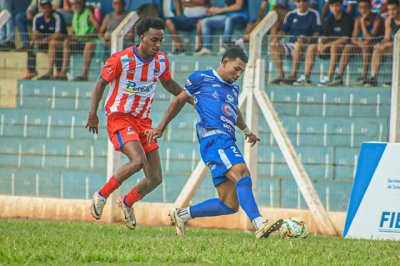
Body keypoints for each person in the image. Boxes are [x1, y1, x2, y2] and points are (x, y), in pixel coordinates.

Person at [148, 47, 283, 239]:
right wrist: (161, 127)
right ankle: (259, 223)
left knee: (229, 204)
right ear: (225, 62)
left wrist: (247, 132)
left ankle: (181, 215)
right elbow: (178, 101)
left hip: (227, 138)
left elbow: (234, 112)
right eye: (236, 69)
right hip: (214, 137)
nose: (238, 74)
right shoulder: (200, 78)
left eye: (242, 72)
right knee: (243, 173)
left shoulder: (233, 88)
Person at [87, 18, 189, 230]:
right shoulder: (121, 59)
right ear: (141, 37)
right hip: (120, 117)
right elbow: (100, 83)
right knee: (137, 161)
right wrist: (92, 113)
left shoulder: (161, 61)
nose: (158, 44)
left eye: (161, 40)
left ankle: (127, 201)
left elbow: (168, 83)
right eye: (154, 39)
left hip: (144, 122)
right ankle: (102, 194)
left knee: (155, 177)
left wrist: (189, 97)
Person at [294, 0, 353, 86]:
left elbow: (346, 39)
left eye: (337, 6)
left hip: (342, 48)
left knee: (334, 47)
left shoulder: (347, 18)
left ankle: (329, 77)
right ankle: (306, 76)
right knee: (312, 47)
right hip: (329, 46)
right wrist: (321, 43)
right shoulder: (329, 19)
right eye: (332, 6)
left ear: (341, 6)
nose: (335, 8)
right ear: (329, 8)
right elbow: (324, 36)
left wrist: (327, 45)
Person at [327, 0, 383, 86]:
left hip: (375, 46)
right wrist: (360, 43)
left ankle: (364, 77)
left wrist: (363, 22)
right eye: (360, 8)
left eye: (365, 7)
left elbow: (369, 38)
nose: (363, 10)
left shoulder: (377, 18)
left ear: (370, 8)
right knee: (348, 47)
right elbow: (353, 38)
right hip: (363, 45)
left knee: (365, 47)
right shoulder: (357, 20)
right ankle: (339, 76)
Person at [269, 0, 321, 85]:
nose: (301, 3)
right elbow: (283, 31)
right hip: (291, 44)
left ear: (307, 3)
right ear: (295, 3)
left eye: (304, 1)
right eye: (298, 1)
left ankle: (293, 75)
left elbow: (317, 33)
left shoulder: (314, 14)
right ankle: (281, 75)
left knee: (298, 44)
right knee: (273, 45)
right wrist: (276, 39)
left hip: (307, 45)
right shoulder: (290, 15)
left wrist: (306, 39)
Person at [57, 0, 100, 81]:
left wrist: (84, 36)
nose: (75, 6)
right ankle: (63, 73)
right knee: (67, 42)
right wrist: (71, 34)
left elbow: (98, 29)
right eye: (73, 4)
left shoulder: (88, 13)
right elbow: (73, 30)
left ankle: (84, 75)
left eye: (77, 3)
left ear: (82, 4)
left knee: (89, 44)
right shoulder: (75, 15)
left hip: (89, 40)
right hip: (78, 42)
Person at [23, 0, 66, 80]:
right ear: (41, 9)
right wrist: (35, 40)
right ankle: (31, 70)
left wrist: (44, 41)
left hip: (57, 43)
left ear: (51, 8)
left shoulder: (57, 17)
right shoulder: (37, 17)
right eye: (44, 8)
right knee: (31, 45)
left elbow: (57, 35)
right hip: (43, 43)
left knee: (54, 43)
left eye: (48, 7)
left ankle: (58, 71)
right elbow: (35, 33)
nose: (46, 10)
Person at [365, 0, 400, 87]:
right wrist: (380, 44)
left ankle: (396, 79)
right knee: (377, 49)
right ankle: (373, 78)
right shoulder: (388, 20)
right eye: (389, 10)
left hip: (397, 46)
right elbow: (387, 38)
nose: (391, 12)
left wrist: (386, 44)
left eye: (394, 9)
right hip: (395, 46)